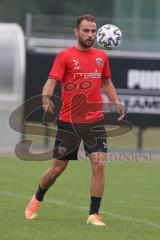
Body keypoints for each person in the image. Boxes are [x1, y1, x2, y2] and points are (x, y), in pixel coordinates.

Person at [25, 14, 125, 226]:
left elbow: (106, 81)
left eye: (93, 31)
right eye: (86, 30)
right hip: (69, 122)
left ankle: (94, 214)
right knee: (57, 169)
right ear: (76, 32)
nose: (90, 34)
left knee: (99, 164)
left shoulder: (101, 56)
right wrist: (46, 96)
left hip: (95, 121)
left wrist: (116, 101)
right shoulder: (65, 56)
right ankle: (37, 198)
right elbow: (52, 81)